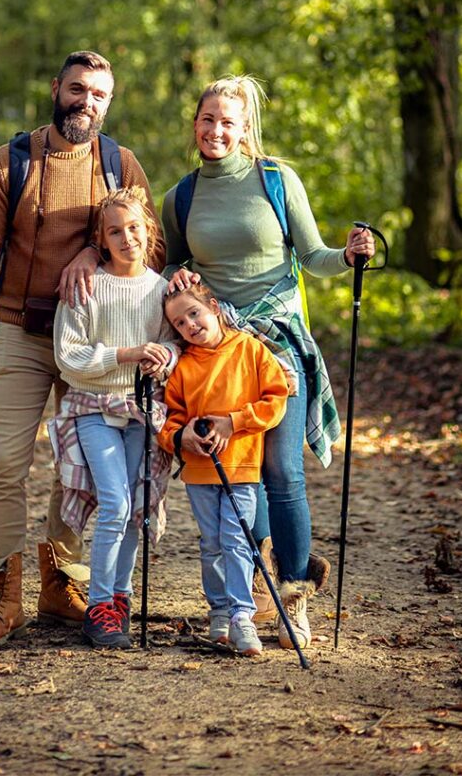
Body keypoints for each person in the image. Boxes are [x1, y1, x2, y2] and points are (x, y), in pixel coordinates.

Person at [0, 50, 165, 647]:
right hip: (21, 331)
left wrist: (92, 253)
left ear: (109, 102)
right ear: (56, 89)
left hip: (96, 343)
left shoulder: (121, 164)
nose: (86, 103)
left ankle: (59, 584)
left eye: (98, 95)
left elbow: (149, 245)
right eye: (77, 90)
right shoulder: (11, 160)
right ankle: (3, 596)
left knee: (77, 475)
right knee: (4, 465)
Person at [162, 75, 374, 649]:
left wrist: (350, 254)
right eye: (207, 120)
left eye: (228, 122)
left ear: (245, 129)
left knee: (281, 469)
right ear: (196, 124)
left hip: (277, 345)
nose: (216, 130)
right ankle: (263, 587)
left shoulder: (276, 179)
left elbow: (315, 257)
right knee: (241, 476)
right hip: (217, 352)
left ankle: (295, 595)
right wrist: (175, 277)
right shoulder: (180, 196)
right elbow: (171, 273)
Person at [50, 186, 177, 649]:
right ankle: (99, 603)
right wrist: (126, 353)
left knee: (136, 508)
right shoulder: (87, 286)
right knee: (116, 502)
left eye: (135, 229)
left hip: (141, 411)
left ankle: (119, 598)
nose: (127, 239)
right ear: (101, 241)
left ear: (149, 232)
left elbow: (175, 342)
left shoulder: (160, 289)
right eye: (115, 232)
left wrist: (165, 355)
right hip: (93, 408)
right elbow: (69, 357)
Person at [158, 281, 288, 656]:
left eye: (194, 314)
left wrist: (235, 421)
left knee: (236, 540)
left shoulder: (250, 350)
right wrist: (182, 437)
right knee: (211, 542)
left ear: (213, 307)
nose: (190, 326)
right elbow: (170, 423)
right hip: (200, 472)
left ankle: (241, 616)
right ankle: (218, 611)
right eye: (180, 324)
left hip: (241, 468)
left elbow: (276, 399)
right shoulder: (183, 368)